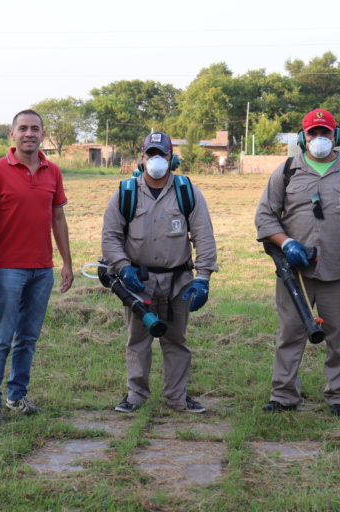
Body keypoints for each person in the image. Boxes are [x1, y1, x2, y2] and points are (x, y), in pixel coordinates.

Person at [255, 109, 340, 418]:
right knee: (290, 332)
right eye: (313, 133)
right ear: (303, 137)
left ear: (336, 137)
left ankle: (339, 396)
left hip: (339, 269)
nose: (319, 139)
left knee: (339, 335)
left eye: (325, 133)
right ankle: (283, 395)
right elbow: (264, 216)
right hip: (294, 273)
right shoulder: (286, 171)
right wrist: (288, 243)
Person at [102, 132, 218, 413]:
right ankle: (135, 396)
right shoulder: (125, 193)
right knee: (138, 341)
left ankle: (178, 397)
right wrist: (122, 266)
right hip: (138, 283)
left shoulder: (187, 191)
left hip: (179, 281)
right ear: (141, 158)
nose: (156, 160)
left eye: (161, 155)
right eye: (150, 154)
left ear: (171, 158)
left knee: (176, 340)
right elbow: (110, 237)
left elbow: (204, 236)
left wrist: (202, 279)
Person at [0, 110, 73, 425]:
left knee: (28, 338)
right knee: (1, 338)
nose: (29, 133)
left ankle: (16, 397)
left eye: (35, 129)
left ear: (42, 134)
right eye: (23, 128)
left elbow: (58, 219)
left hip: (42, 269)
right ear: (11, 134)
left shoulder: (53, 172)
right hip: (7, 269)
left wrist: (66, 263)